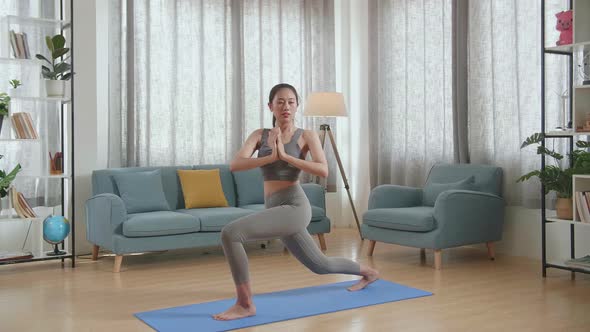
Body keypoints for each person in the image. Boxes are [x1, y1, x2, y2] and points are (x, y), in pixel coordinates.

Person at [212, 83, 379, 321]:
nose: (286, 107)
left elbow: (323, 170)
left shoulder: (306, 136)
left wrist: (288, 157)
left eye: (291, 102)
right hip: (274, 207)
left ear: (297, 106)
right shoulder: (260, 136)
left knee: (230, 233)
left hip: (294, 207)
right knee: (320, 265)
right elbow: (235, 165)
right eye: (280, 102)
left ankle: (245, 304)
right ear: (270, 106)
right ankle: (369, 272)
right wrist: (270, 156)